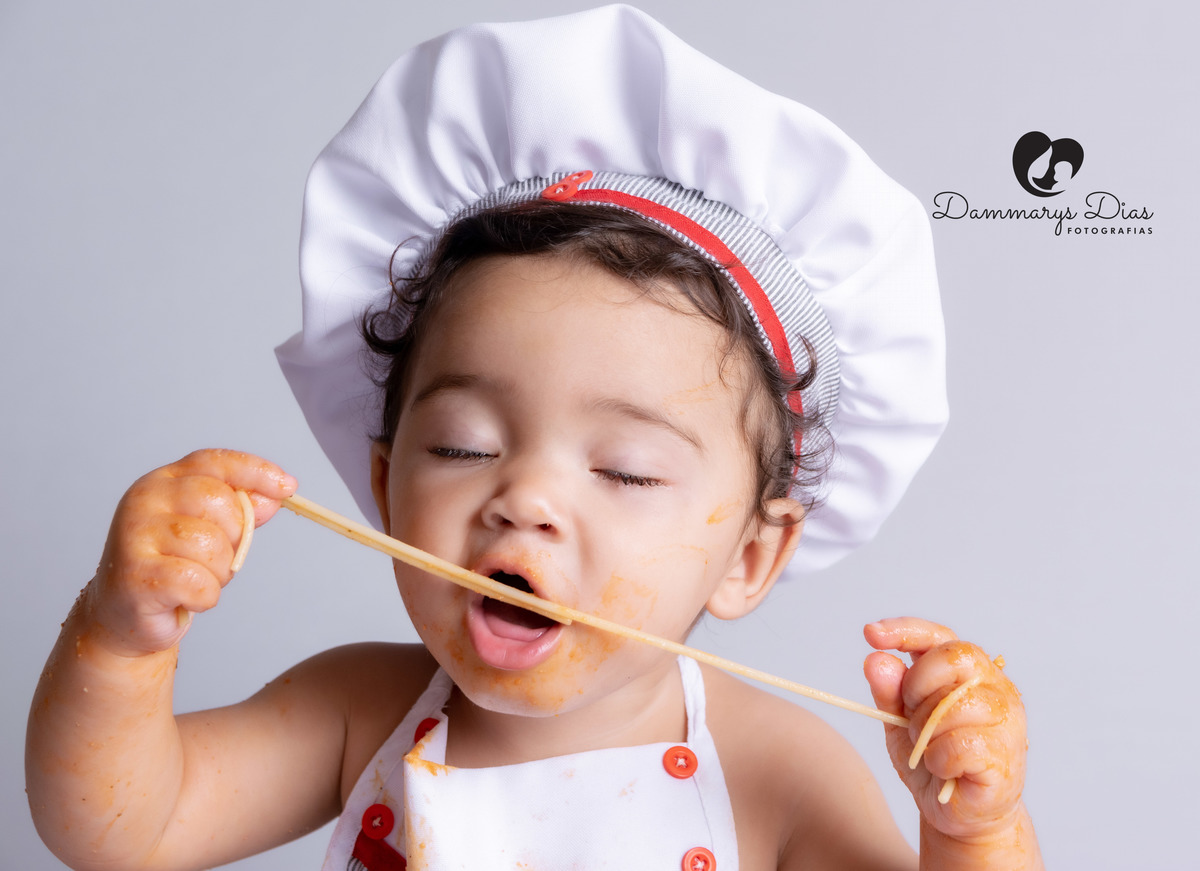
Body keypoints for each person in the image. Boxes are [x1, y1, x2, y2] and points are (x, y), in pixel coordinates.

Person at [26, 6, 1042, 870]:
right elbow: (121, 827)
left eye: (627, 469)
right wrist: (121, 639)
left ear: (751, 553)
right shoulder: (360, 706)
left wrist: (974, 830)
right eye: (465, 445)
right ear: (385, 480)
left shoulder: (772, 763)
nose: (526, 499)